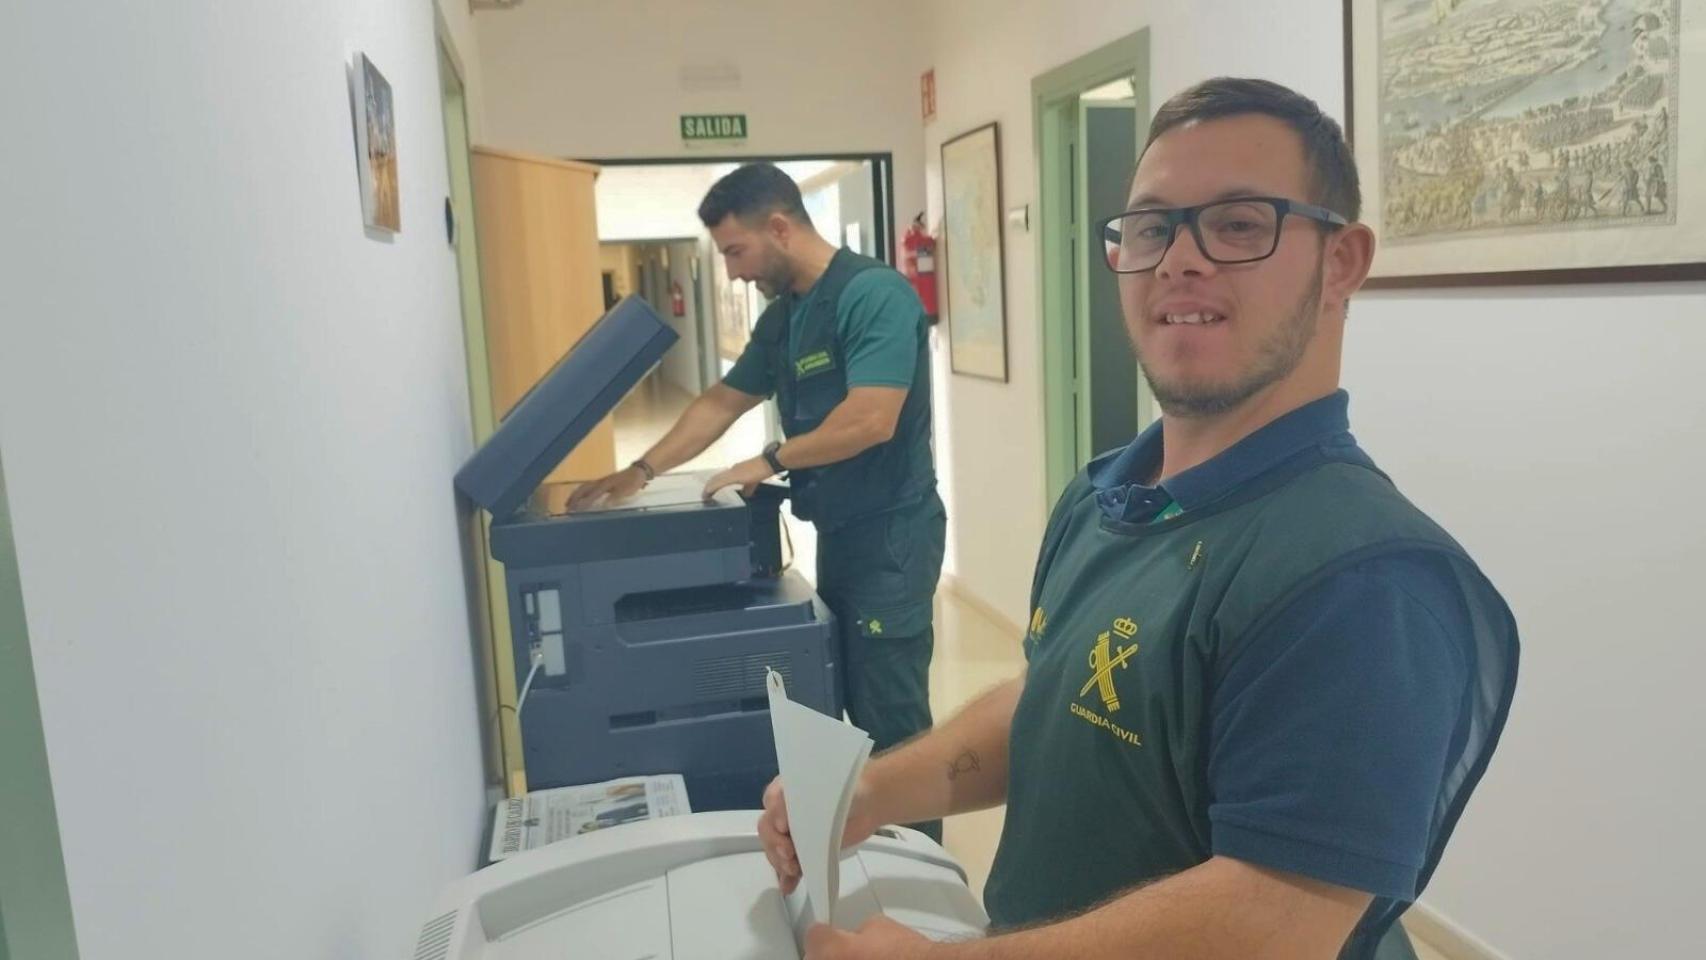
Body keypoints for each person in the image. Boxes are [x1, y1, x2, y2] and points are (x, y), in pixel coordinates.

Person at [762, 78, 1519, 960]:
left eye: (1239, 223)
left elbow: (1268, 923)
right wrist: (873, 790)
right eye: (1153, 227)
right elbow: (1068, 698)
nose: (1179, 260)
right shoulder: (1104, 498)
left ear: (1341, 262)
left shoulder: (1361, 578)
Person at [569, 163, 947, 839]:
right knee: (852, 707)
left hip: (893, 539)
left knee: (894, 723)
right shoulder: (788, 319)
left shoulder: (874, 296)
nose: (735, 272)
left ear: (779, 227)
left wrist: (769, 458)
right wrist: (642, 469)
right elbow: (722, 399)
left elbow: (871, 418)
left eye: (736, 252)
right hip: (840, 534)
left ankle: (925, 886)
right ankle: (869, 854)